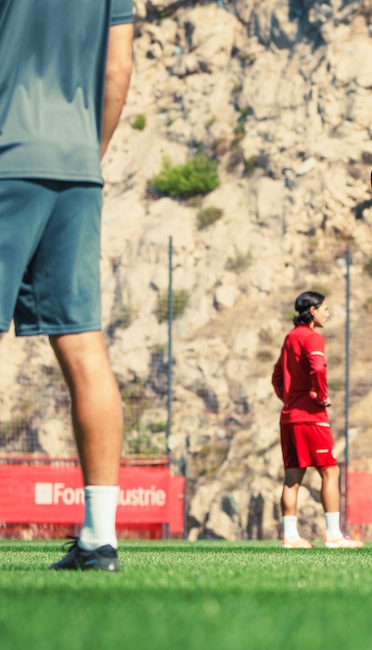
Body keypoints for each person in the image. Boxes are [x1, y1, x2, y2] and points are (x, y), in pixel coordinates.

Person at [0, 0, 134, 571]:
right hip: (77, 165)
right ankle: (99, 539)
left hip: (6, 154)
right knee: (83, 344)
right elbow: (118, 71)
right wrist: (87, 154)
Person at [272, 292, 362, 549]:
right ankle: (333, 535)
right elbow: (318, 368)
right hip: (311, 417)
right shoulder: (313, 337)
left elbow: (277, 376)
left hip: (289, 417)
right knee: (330, 471)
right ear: (311, 310)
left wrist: (289, 399)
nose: (327, 313)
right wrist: (320, 397)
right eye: (324, 308)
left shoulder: (290, 338)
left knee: (292, 478)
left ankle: (290, 537)